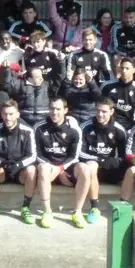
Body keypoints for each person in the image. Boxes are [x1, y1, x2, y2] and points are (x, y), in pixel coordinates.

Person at [33, 98, 89, 229]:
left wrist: (61, 169)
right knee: (43, 168)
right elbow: (36, 154)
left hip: (66, 166)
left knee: (85, 169)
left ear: (65, 110)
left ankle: (77, 212)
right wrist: (53, 168)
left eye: (58, 109)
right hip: (47, 167)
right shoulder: (39, 127)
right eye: (52, 108)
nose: (54, 112)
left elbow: (74, 156)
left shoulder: (74, 129)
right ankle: (47, 212)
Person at [78, 98, 132, 224]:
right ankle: (94, 207)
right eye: (97, 111)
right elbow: (80, 153)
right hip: (90, 168)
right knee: (91, 165)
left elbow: (124, 156)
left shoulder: (119, 130)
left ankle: (122, 208)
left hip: (108, 167)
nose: (100, 114)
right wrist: (98, 160)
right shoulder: (85, 127)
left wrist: (107, 162)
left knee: (131, 170)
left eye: (104, 111)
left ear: (112, 111)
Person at [0, 100, 37, 225]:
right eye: (5, 114)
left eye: (11, 114)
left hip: (19, 171)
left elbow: (32, 155)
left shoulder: (27, 130)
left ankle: (25, 208)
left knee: (32, 170)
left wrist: (19, 165)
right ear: (1, 115)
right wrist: (3, 163)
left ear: (17, 114)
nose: (8, 117)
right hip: (2, 170)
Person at [101, 58, 135, 131]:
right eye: (122, 68)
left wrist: (133, 129)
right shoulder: (107, 86)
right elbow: (100, 106)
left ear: (134, 70)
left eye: (127, 68)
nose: (124, 71)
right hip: (109, 126)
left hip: (129, 128)